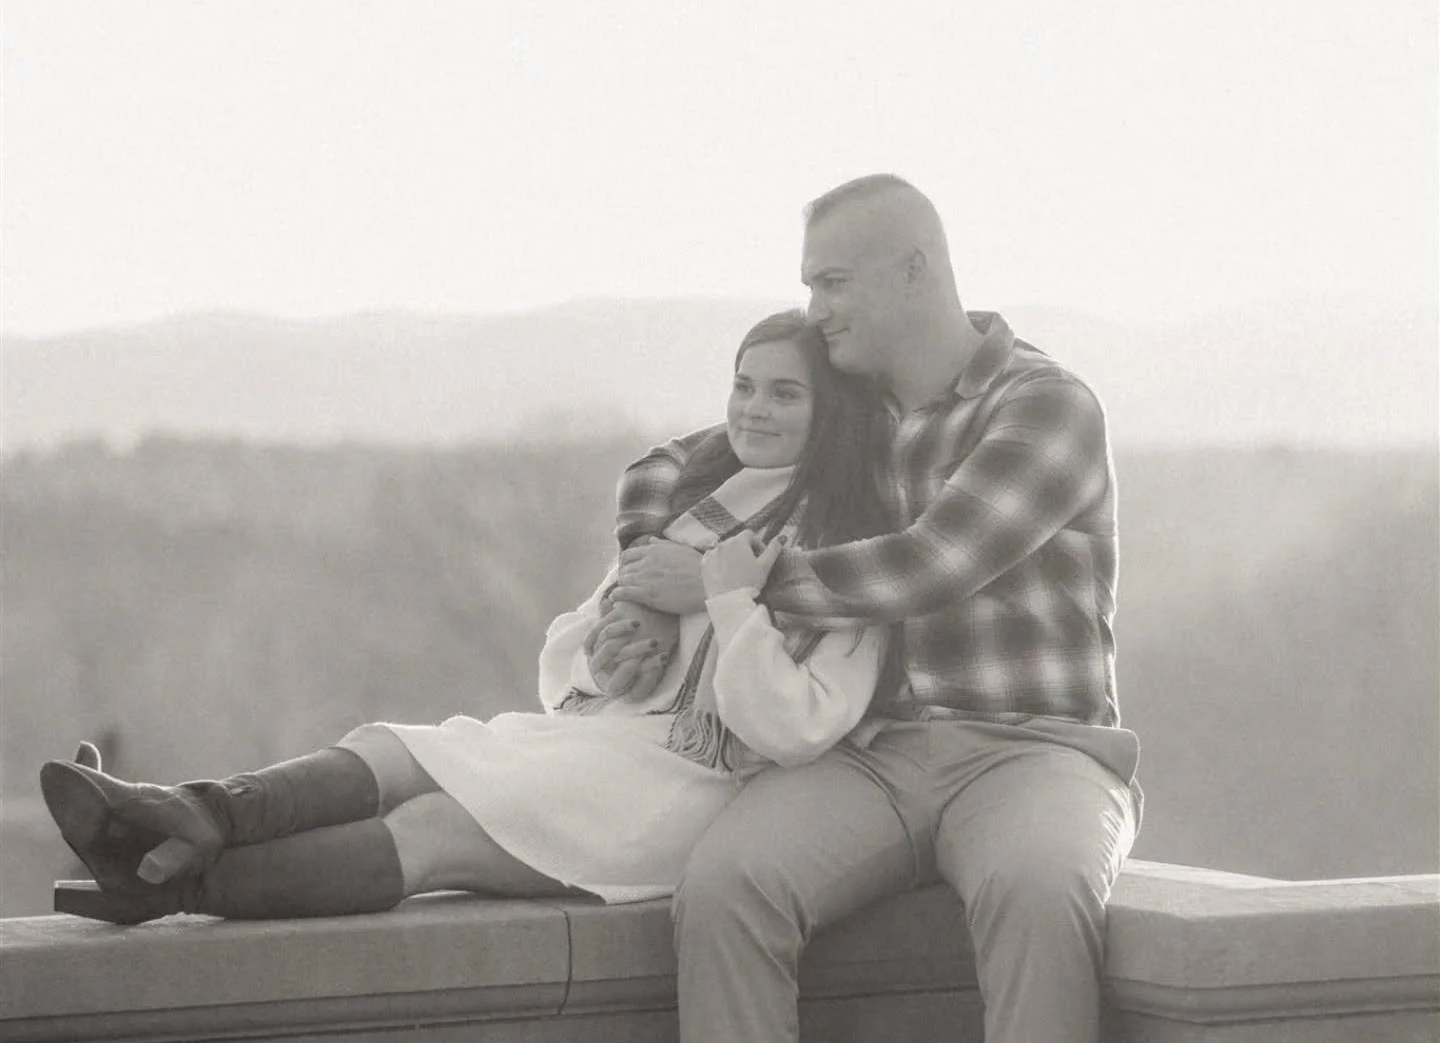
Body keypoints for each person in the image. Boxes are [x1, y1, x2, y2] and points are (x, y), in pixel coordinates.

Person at [595, 176, 1141, 1043]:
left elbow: (935, 562)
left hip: (1034, 750)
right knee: (729, 882)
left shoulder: (1046, 405)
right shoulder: (840, 403)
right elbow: (663, 468)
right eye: (808, 285)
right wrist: (668, 557)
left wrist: (739, 586)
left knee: (1045, 893)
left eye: (831, 281)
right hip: (877, 752)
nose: (813, 306)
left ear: (914, 272)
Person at [41, 311, 892, 928]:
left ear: (835, 419)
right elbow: (572, 657)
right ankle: (193, 814)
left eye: (785, 394)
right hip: (599, 741)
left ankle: (166, 884)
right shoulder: (700, 506)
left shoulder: (852, 553)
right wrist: (612, 646)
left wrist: (726, 600)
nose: (752, 408)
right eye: (744, 385)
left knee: (437, 831)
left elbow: (797, 728)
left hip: (684, 791)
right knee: (398, 746)